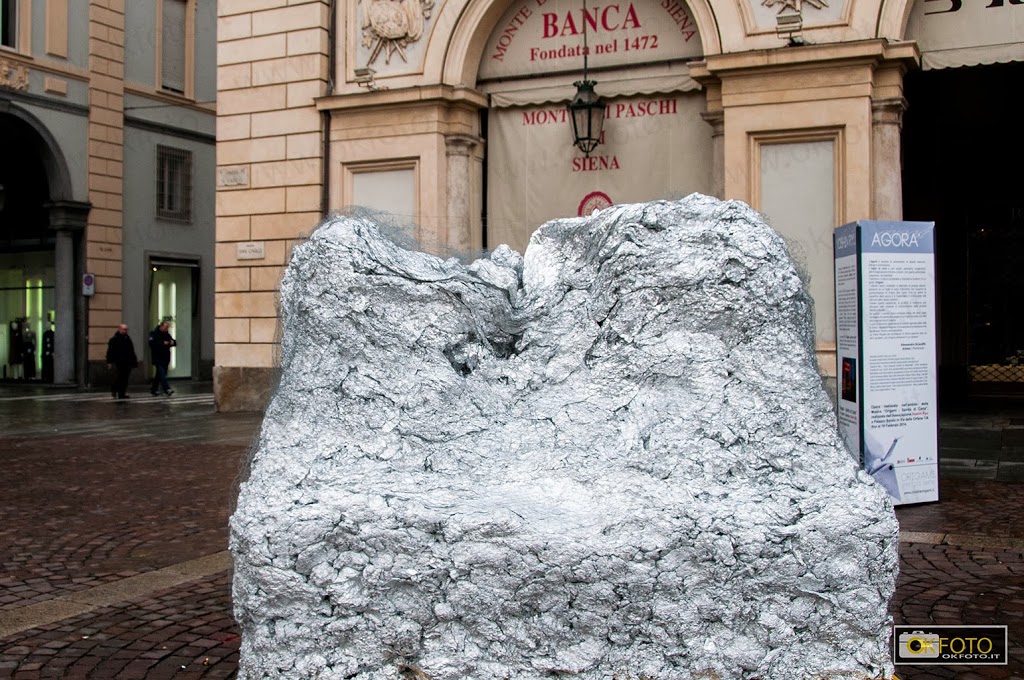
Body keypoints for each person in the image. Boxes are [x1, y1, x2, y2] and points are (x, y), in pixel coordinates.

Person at [106, 323, 139, 399]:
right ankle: (115, 389)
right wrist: (109, 362)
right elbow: (110, 351)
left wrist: (134, 361)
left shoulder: (127, 338)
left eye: (126, 329)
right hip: (119, 362)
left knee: (125, 378)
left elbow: (131, 350)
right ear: (120, 329)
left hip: (127, 361)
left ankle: (122, 393)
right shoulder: (114, 339)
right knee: (120, 377)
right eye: (124, 329)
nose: (126, 331)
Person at [148, 321, 177, 396]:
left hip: (165, 357)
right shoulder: (154, 333)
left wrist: (172, 342)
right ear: (161, 326)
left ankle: (154, 389)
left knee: (159, 375)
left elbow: (174, 342)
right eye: (165, 327)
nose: (166, 329)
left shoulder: (167, 334)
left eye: (167, 327)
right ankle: (166, 389)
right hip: (157, 357)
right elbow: (152, 343)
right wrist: (162, 343)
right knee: (162, 373)